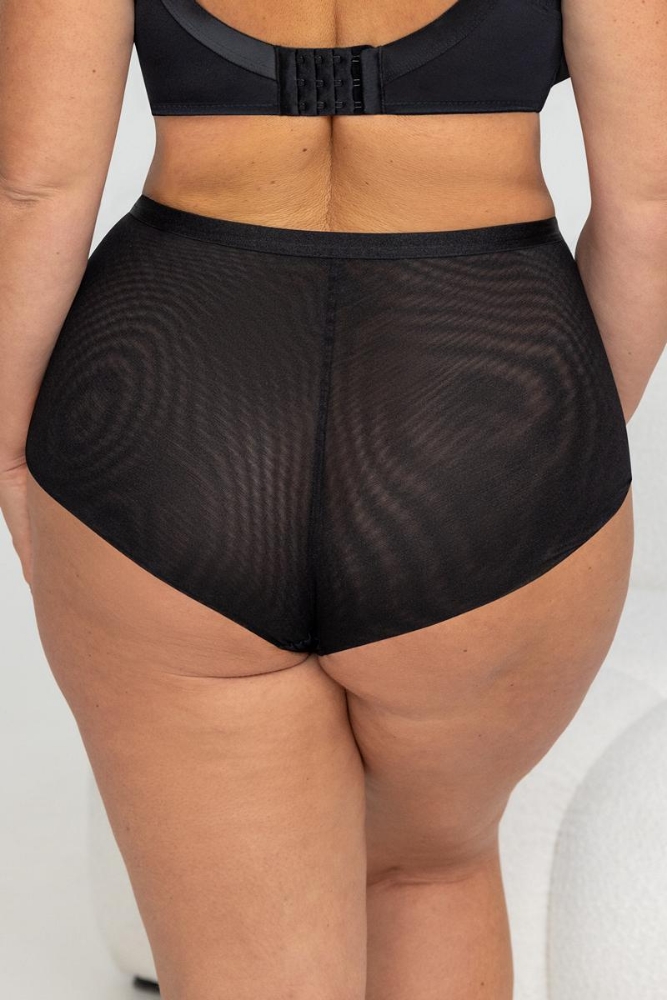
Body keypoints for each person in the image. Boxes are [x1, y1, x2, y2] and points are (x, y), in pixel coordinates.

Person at [0, 0, 664, 996]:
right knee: (428, 870)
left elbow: (32, 186)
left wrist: (14, 456)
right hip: (481, 394)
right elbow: (651, 202)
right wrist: (551, 448)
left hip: (169, 408)